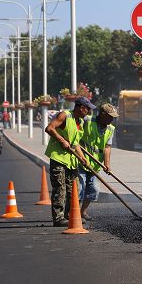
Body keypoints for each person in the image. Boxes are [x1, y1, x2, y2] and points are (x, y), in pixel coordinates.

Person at [45, 96, 95, 227]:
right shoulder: (65, 115)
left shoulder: (81, 122)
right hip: (59, 158)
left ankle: (70, 214)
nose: (89, 112)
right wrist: (62, 140)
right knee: (60, 188)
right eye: (88, 109)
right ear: (81, 108)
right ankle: (58, 217)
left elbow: (76, 143)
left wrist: (82, 157)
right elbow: (49, 128)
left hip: (72, 161)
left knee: (73, 189)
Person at [78, 103, 118, 221]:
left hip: (95, 165)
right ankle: (72, 213)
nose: (112, 119)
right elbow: (76, 136)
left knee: (94, 189)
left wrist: (107, 164)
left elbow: (107, 147)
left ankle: (82, 212)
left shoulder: (110, 128)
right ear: (102, 114)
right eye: (110, 116)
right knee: (80, 188)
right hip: (81, 162)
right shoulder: (87, 121)